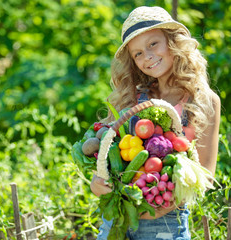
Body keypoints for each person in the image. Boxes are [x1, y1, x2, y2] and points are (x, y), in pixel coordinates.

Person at [90, 6, 221, 240]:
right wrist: (97, 181)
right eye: (137, 53)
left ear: (173, 42)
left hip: (164, 224)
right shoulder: (132, 97)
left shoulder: (204, 100)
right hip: (118, 218)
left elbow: (206, 176)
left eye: (153, 44)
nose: (147, 56)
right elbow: (104, 148)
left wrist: (154, 210)